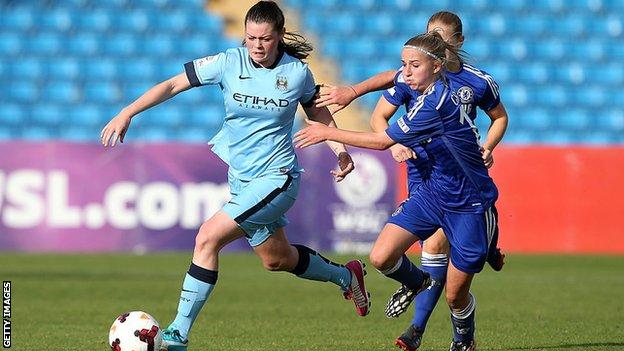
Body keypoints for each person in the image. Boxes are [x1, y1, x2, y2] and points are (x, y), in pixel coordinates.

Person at [100, 2, 370, 350]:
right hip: (242, 181)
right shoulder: (228, 62)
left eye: (265, 39)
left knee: (207, 237)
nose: (257, 45)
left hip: (279, 178)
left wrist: (341, 149)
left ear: (280, 37)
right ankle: (346, 276)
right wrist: (128, 112)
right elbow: (172, 85)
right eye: (251, 37)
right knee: (277, 259)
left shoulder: (298, 73)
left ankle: (178, 333)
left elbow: (316, 112)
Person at [294, 31, 500, 351]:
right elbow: (391, 77)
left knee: (455, 295)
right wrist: (353, 91)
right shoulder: (425, 83)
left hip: (469, 202)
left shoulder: (437, 104)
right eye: (404, 64)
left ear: (437, 65)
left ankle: (464, 339)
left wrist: (325, 132)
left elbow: (382, 141)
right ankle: (418, 282)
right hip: (433, 192)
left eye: (413, 65)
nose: (405, 72)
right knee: (381, 256)